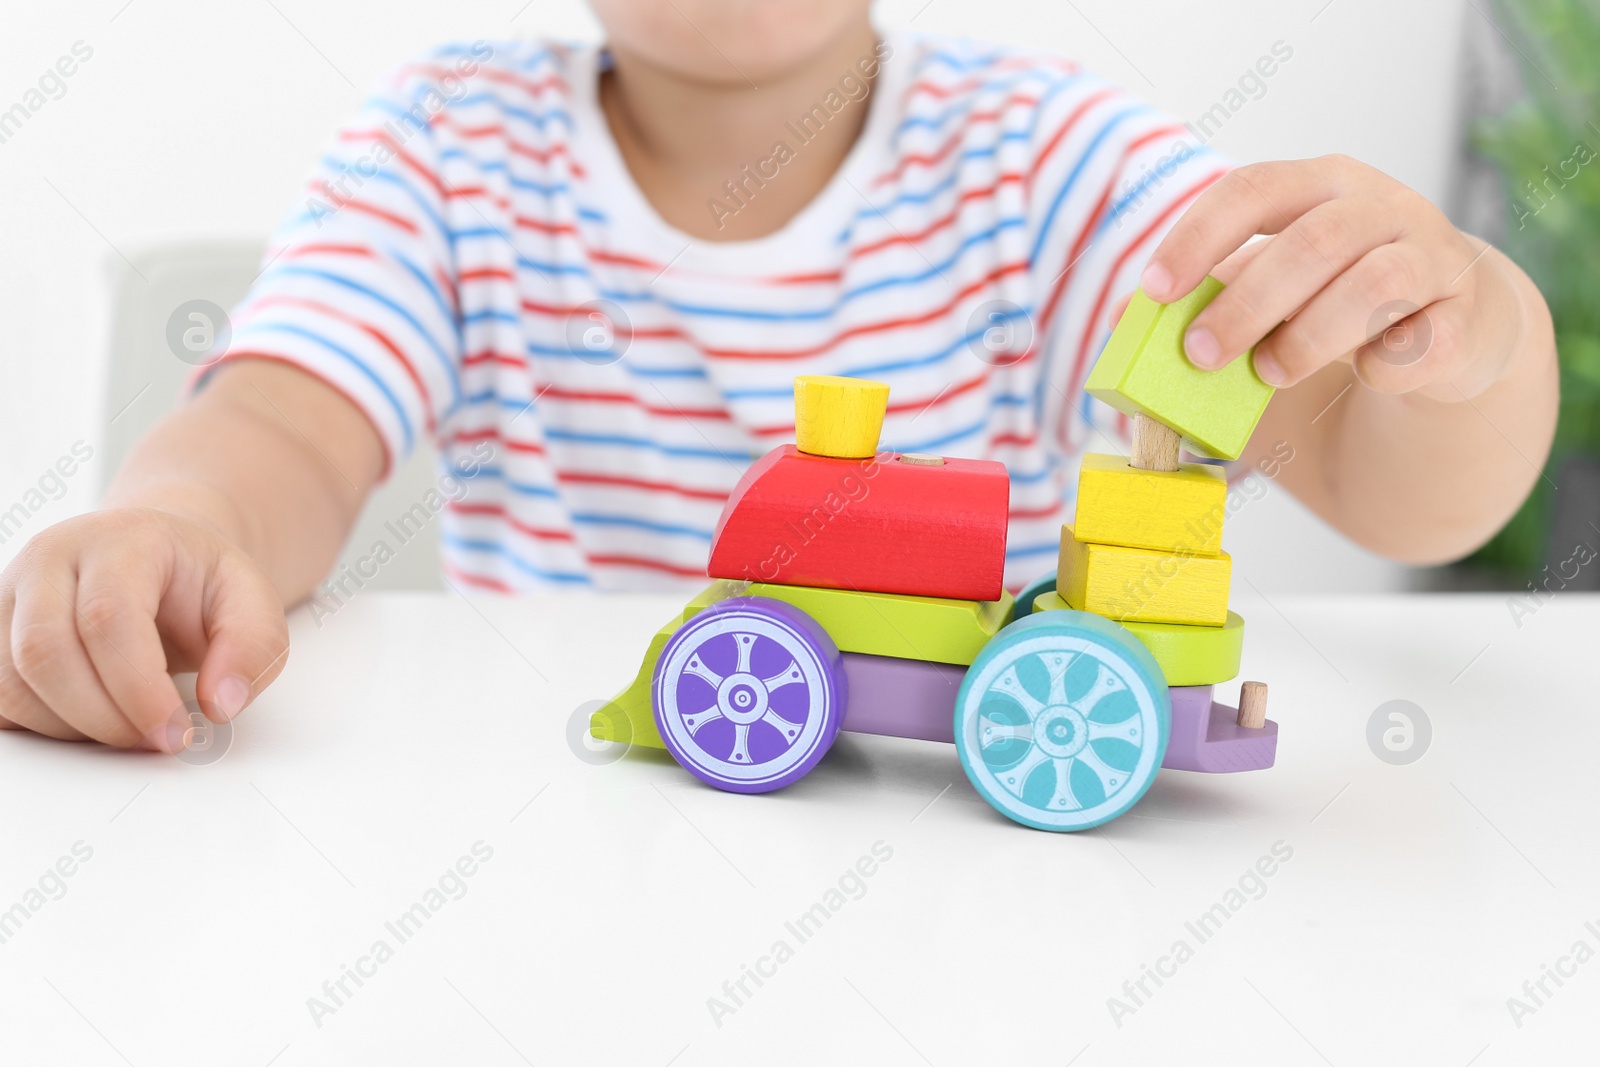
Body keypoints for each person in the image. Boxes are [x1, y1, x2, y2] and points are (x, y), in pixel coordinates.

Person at [0, 1, 1558, 750]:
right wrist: (177, 522)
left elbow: (1377, 476)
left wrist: (1464, 337)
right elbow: (279, 423)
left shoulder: (1039, 158)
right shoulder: (448, 147)